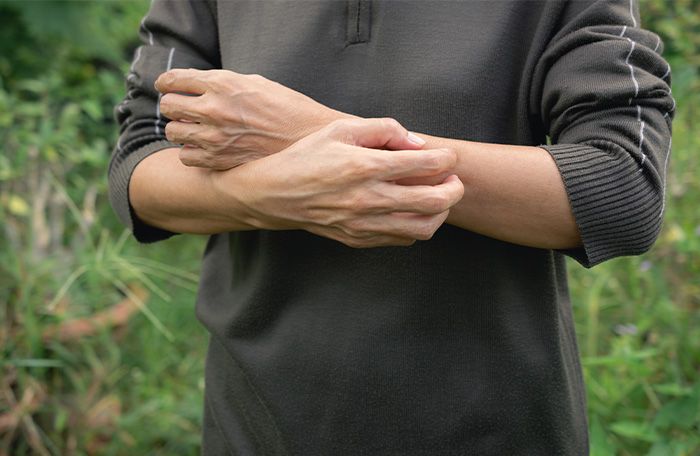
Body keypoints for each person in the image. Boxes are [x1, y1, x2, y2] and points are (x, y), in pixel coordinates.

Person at [108, 0, 674, 454]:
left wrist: (313, 133)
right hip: (251, 424)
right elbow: (139, 161)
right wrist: (267, 196)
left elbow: (624, 187)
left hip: (495, 428)